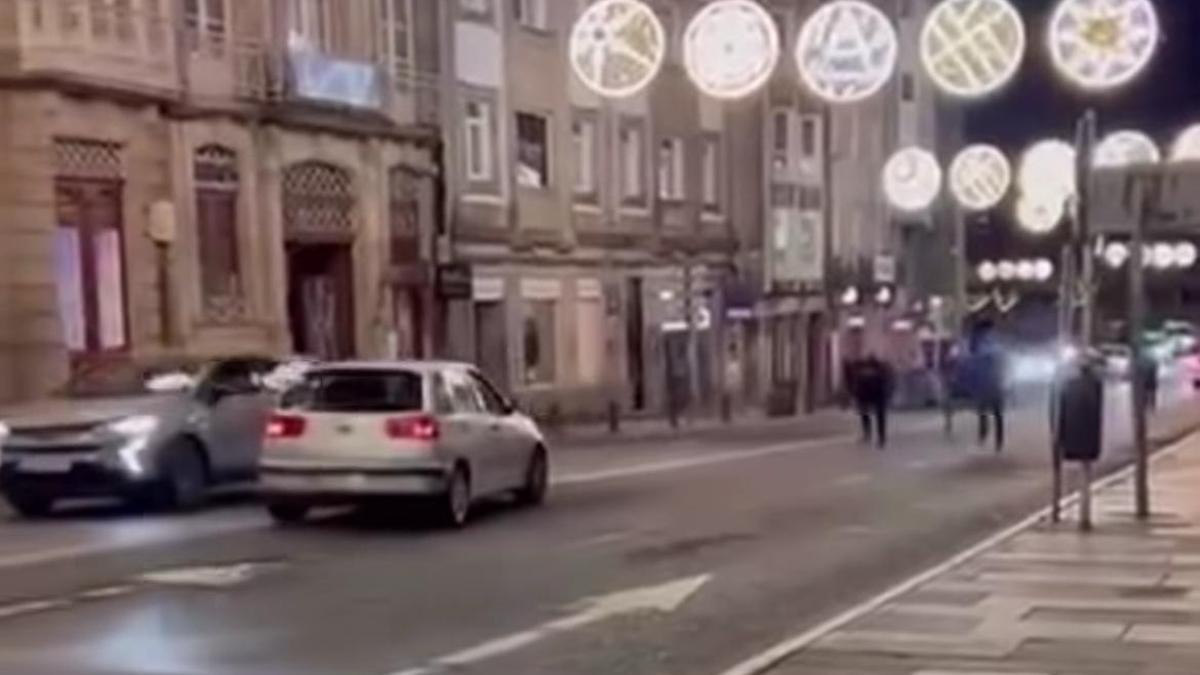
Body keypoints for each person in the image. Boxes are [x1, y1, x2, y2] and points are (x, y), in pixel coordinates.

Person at [965, 321, 1007, 453]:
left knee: (984, 412)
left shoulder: (980, 343)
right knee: (996, 413)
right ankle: (998, 441)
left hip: (985, 381)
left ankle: (984, 437)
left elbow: (973, 360)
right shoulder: (994, 342)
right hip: (994, 381)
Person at [849, 352, 894, 449]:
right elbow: (887, 383)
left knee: (867, 415)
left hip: (871, 396)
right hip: (878, 396)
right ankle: (879, 438)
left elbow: (858, 386)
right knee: (878, 417)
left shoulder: (863, 372)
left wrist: (857, 397)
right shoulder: (881, 370)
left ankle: (869, 436)